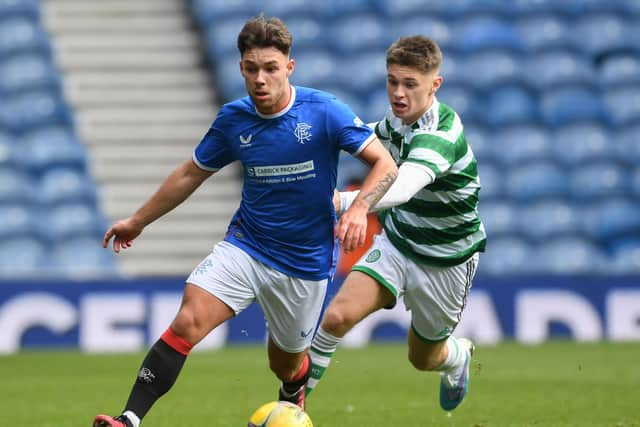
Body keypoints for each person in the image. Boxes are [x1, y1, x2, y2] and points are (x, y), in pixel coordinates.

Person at [93, 15, 397, 427]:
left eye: (270, 68)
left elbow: (385, 163)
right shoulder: (233, 120)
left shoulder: (325, 112)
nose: (260, 79)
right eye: (251, 68)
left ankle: (293, 392)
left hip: (304, 262)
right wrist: (139, 220)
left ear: (289, 67)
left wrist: (359, 207)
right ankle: (128, 419)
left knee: (286, 366)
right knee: (189, 320)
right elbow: (190, 173)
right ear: (240, 68)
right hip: (247, 245)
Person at [306, 35, 486, 412]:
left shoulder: (441, 135)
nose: (398, 93)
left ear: (434, 85)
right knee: (336, 318)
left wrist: (341, 202)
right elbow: (365, 137)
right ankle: (293, 407)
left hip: (445, 261)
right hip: (399, 243)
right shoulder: (398, 121)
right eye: (392, 81)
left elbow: (401, 186)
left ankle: (456, 357)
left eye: (410, 84)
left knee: (422, 358)